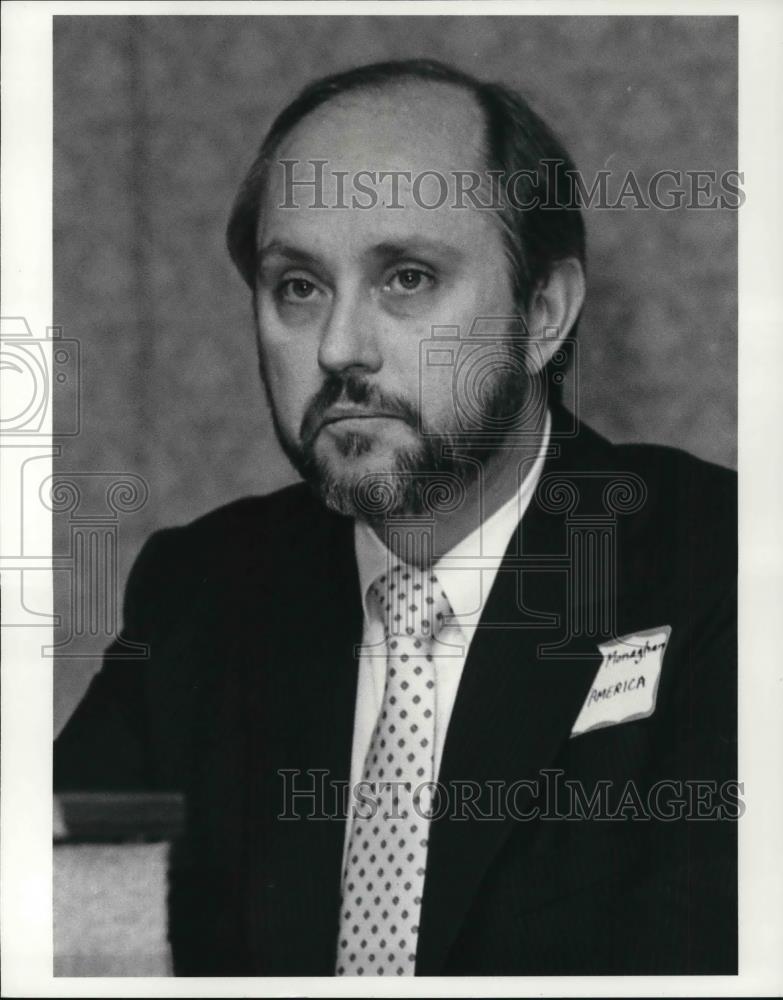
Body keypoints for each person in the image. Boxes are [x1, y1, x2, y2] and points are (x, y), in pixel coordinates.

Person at [54, 59, 737, 976]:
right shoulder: (202, 592)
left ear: (542, 313)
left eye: (407, 278)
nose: (339, 347)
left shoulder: (723, 570)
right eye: (297, 286)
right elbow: (65, 932)